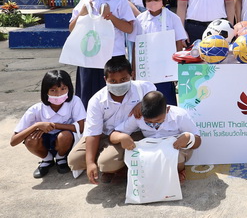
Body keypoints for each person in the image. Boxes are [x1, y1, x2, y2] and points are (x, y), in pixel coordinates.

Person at [67, 57, 156, 185]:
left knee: (107, 163)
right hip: (104, 134)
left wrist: (144, 103)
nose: (118, 84)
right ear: (105, 80)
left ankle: (120, 168)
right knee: (74, 160)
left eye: (123, 79)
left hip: (131, 133)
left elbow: (156, 99)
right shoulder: (96, 101)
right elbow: (93, 133)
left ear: (132, 75)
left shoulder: (144, 87)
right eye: (113, 81)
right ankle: (109, 164)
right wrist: (90, 163)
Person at [68, 0, 135, 108]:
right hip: (89, 56)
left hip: (113, 56)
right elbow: (72, 28)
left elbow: (129, 28)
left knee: (114, 94)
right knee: (87, 94)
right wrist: (81, 14)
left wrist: (111, 17)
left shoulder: (119, 1)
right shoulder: (85, 1)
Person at [110, 91, 201, 183]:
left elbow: (198, 142)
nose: (153, 124)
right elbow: (113, 135)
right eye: (148, 122)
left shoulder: (179, 115)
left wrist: (189, 138)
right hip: (152, 149)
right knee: (135, 156)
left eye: (158, 120)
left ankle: (179, 170)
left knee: (176, 158)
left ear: (167, 110)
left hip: (175, 149)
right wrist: (122, 137)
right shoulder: (138, 116)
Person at [10, 70, 86, 178]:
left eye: (63, 89)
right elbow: (13, 141)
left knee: (65, 136)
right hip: (44, 143)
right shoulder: (36, 109)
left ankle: (61, 157)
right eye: (53, 90)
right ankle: (47, 159)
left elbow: (81, 127)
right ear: (45, 91)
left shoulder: (74, 101)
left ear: (69, 88)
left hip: (65, 143)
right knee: (30, 140)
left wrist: (53, 125)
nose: (58, 94)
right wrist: (36, 126)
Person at [130, 0, 187, 106]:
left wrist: (177, 67)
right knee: (147, 102)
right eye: (148, 0)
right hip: (146, 69)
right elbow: (135, 46)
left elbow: (178, 43)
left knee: (166, 101)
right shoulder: (139, 20)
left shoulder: (173, 18)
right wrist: (134, 68)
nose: (153, 2)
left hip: (165, 69)